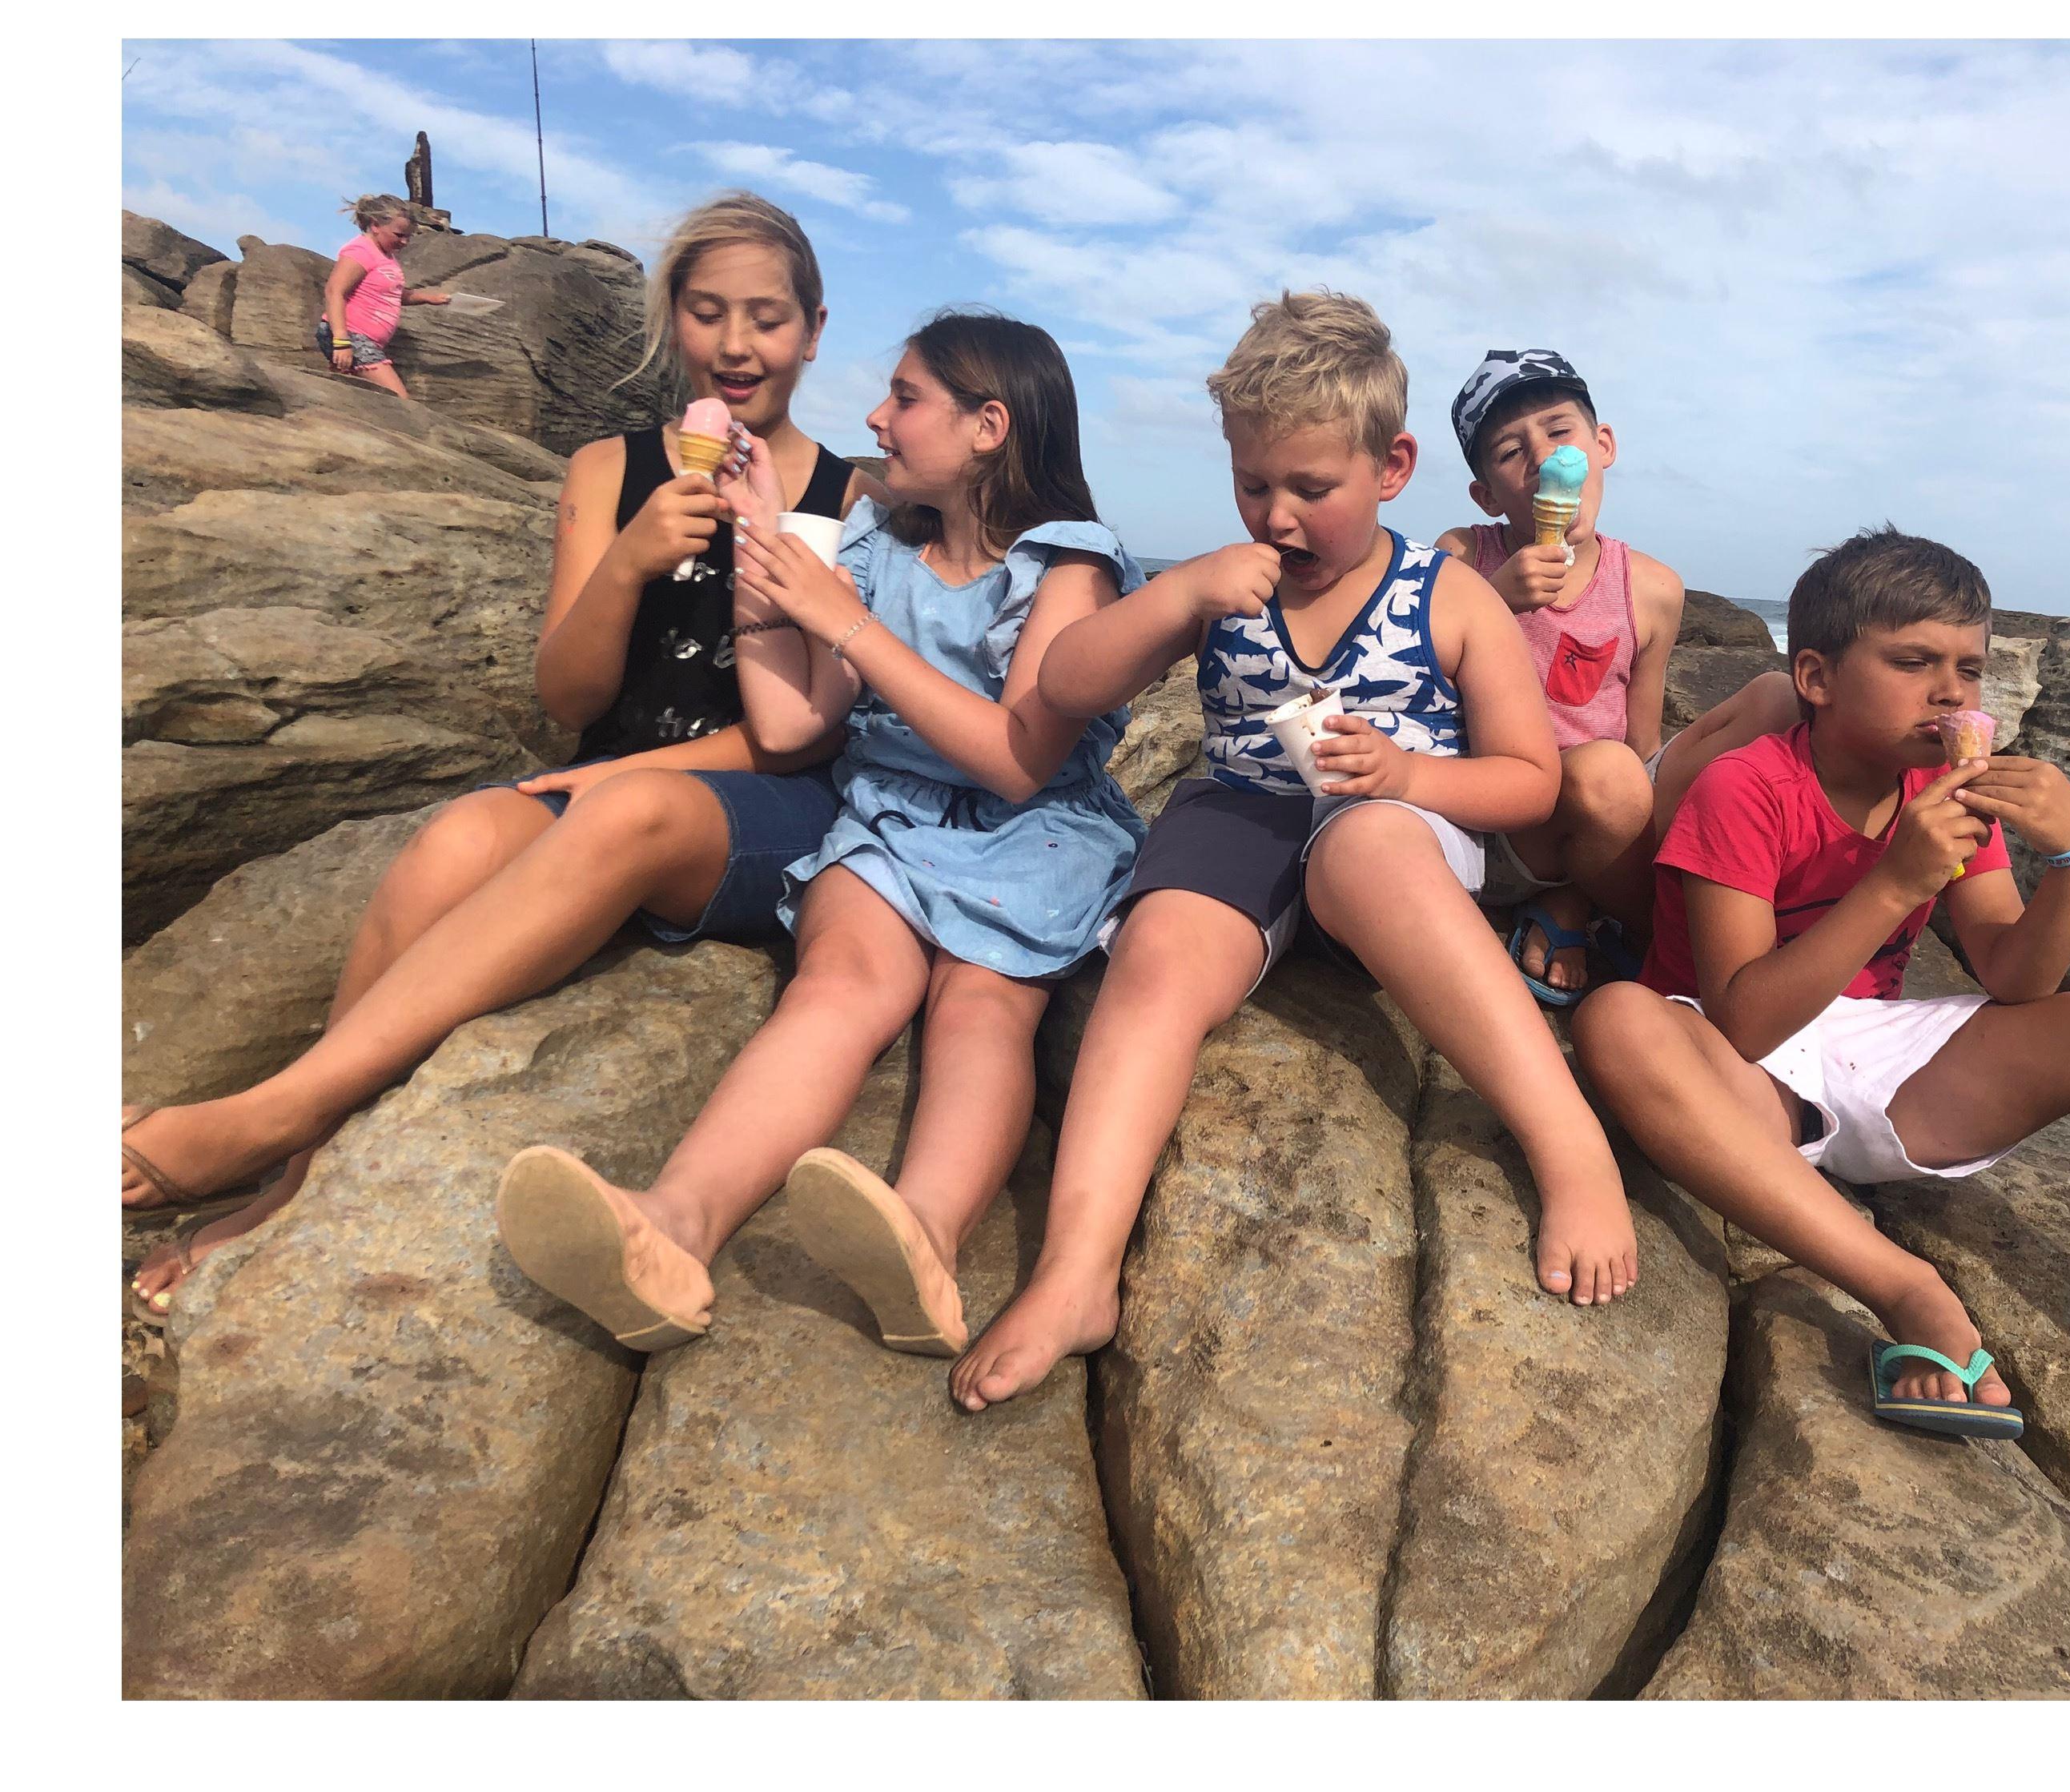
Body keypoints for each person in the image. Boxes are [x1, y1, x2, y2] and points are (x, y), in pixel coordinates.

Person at [125, 191, 878, 1318]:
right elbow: (567, 695)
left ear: (812, 332)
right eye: (708, 312)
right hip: (605, 781)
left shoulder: (850, 501)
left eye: (767, 319)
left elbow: (813, 734)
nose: (736, 344)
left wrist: (623, 776)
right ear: (672, 319)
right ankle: (297, 1170)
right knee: (455, 839)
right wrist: (627, 562)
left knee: (628, 813)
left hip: (755, 800)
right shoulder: (607, 470)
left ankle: (278, 1111)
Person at [946, 291, 1644, 1416]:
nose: (1277, 516)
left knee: (1367, 850)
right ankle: (1076, 1272)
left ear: (1392, 466)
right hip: (1243, 810)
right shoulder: (1225, 584)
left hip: (1394, 831)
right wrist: (1182, 593)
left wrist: (1408, 776)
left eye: (1311, 489)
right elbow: (1067, 684)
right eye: (1252, 485)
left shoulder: (1451, 596)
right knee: (1159, 954)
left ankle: (1571, 1148)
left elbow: (1530, 779)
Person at [1566, 526, 2070, 1535]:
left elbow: (2016, 976)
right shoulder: (1747, 786)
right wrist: (1896, 883)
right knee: (1616, 1019)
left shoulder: (1948, 794)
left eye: (1969, 668)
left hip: (1882, 1058)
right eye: (1913, 662)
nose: (1950, 693)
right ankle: (1907, 1287)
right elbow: (1745, 1019)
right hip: (1735, 1073)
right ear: (1816, 677)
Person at [493, 310, 1146, 1359]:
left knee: (980, 1005)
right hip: (888, 816)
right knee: (837, 985)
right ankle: (673, 1227)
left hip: (1031, 832)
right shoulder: (881, 547)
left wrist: (843, 621)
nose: (877, 419)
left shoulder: (1070, 568)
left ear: (989, 426)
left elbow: (1016, 757)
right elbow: (799, 723)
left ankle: (924, 1236)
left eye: (906, 398)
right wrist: (765, 559)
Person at [1436, 350, 1795, 1004]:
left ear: (1602, 446)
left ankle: (1587, 893)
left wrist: (1645, 813)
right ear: (1487, 493)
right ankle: (1667, 941)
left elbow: (1641, 740)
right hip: (1511, 824)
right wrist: (1492, 600)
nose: (1543, 458)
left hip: (1613, 797)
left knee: (1777, 699)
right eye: (1511, 451)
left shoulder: (1652, 587)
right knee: (1606, 776)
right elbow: (1412, 677)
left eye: (1559, 431)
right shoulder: (1463, 557)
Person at [316, 195, 454, 400]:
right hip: (351, 336)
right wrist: (342, 341)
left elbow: (392, 294)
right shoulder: (361, 250)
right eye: (399, 235)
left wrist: (429, 298)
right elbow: (334, 291)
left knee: (354, 398)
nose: (405, 242)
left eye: (409, 237)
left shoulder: (386, 257)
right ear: (375, 225)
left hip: (365, 341)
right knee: (399, 401)